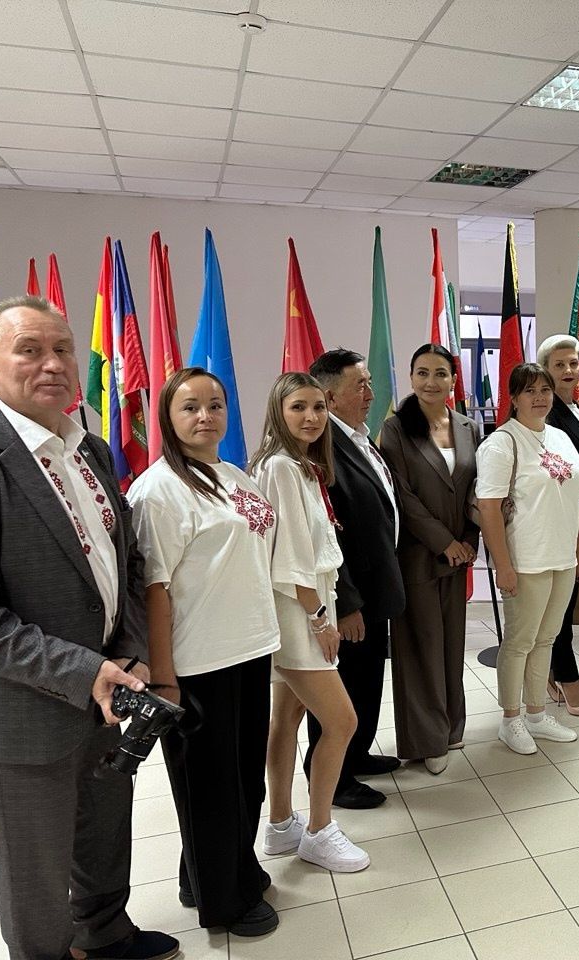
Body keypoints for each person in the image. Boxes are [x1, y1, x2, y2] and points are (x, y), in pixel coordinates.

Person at [0, 295, 179, 960]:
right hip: (23, 707)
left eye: (62, 349)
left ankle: (106, 934)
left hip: (108, 690)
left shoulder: (88, 446)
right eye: (29, 350)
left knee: (104, 829)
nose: (54, 364)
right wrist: (86, 670)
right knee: (36, 869)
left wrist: (129, 651)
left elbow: (121, 562)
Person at [129, 367, 281, 935]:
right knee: (211, 790)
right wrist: (164, 679)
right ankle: (226, 902)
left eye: (215, 405)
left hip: (247, 648)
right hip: (196, 664)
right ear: (167, 417)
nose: (205, 416)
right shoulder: (158, 491)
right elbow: (154, 589)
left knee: (242, 780)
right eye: (190, 407)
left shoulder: (232, 474)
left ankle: (210, 872)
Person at [251, 372, 370, 873]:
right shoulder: (280, 466)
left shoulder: (300, 466)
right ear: (279, 412)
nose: (311, 417)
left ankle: (281, 823)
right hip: (299, 610)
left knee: (288, 717)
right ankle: (320, 831)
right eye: (298, 407)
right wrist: (320, 618)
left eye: (319, 407)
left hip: (305, 604)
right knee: (342, 721)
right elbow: (292, 555)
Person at [308, 350, 405, 808]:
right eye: (360, 385)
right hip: (350, 598)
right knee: (342, 689)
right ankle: (335, 778)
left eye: (369, 382)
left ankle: (357, 753)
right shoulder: (322, 448)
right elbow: (327, 533)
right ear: (329, 397)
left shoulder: (360, 437)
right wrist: (345, 603)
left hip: (375, 587)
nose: (370, 392)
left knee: (367, 682)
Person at [476, 363, 579, 755]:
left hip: (562, 558)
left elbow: (575, 500)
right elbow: (488, 508)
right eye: (530, 391)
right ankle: (511, 719)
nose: (539, 397)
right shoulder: (502, 443)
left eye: (545, 390)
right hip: (526, 559)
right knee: (519, 642)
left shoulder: (561, 438)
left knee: (546, 639)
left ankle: (537, 715)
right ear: (513, 398)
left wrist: (578, 552)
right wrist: (503, 565)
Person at [378, 344, 479, 775]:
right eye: (422, 373)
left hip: (459, 555)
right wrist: (444, 541)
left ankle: (452, 726)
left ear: (453, 379)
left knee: (452, 643)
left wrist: (468, 539)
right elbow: (402, 495)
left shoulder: (468, 426)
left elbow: (476, 489)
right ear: (411, 378)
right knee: (422, 648)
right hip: (418, 555)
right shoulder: (395, 429)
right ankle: (426, 739)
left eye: (440, 373)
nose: (431, 381)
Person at [539, 334, 579, 717]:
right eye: (559, 364)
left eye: (574, 363)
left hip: (578, 517)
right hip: (558, 523)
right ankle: (566, 677)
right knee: (558, 608)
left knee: (562, 604)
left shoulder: (577, 407)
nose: (568, 370)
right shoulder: (545, 415)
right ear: (545, 369)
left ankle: (552, 672)